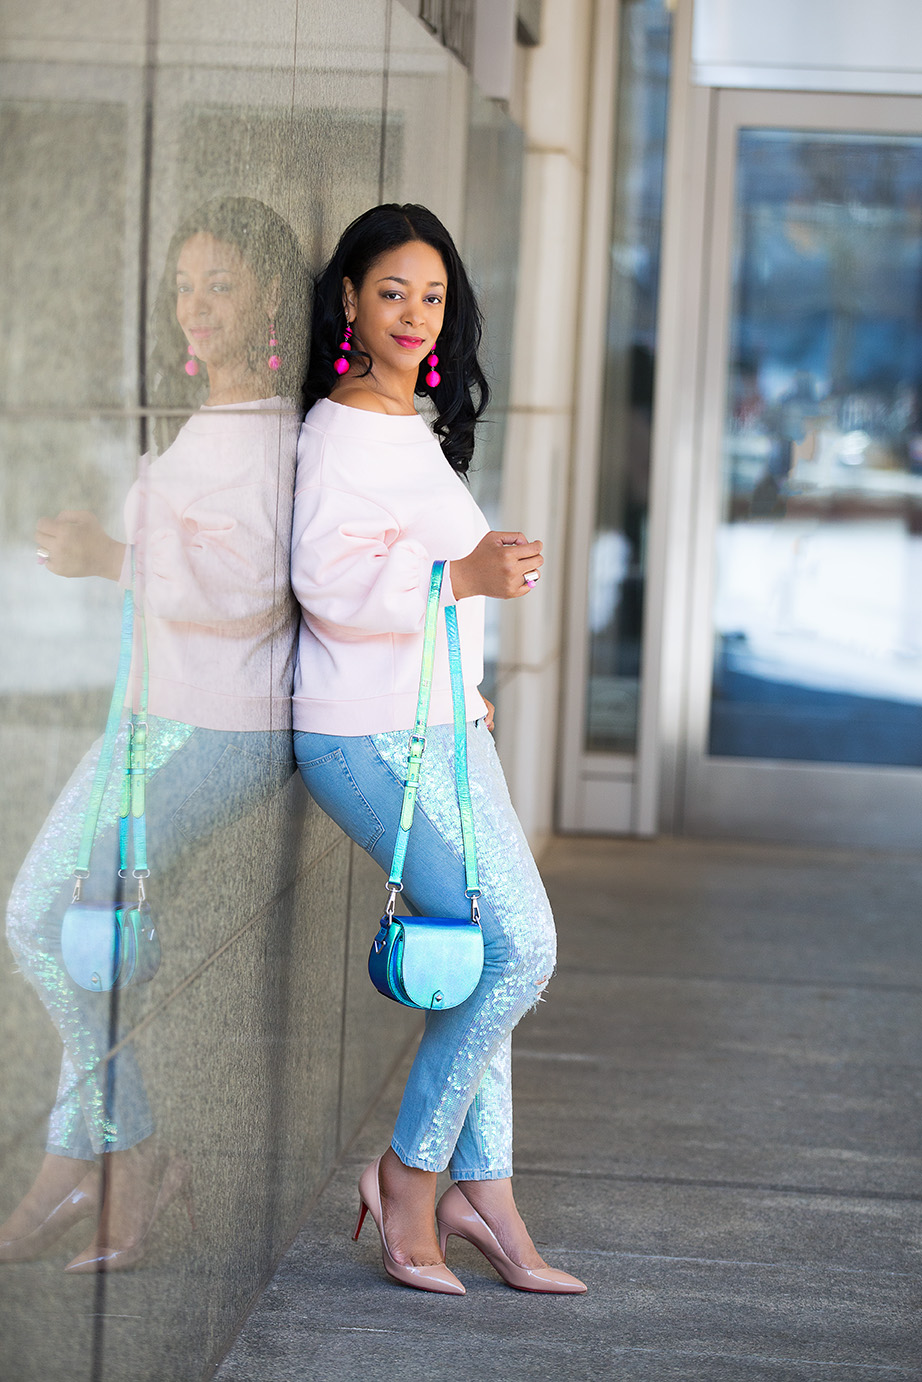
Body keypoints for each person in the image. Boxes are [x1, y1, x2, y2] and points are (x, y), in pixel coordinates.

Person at [2, 197, 306, 1272]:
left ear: (269, 294)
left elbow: (251, 592)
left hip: (206, 724)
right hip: (153, 719)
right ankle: (72, 1160)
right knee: (82, 934)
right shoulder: (214, 422)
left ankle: (129, 1153)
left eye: (219, 284)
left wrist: (110, 557)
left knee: (45, 921)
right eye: (185, 285)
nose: (196, 306)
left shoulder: (270, 436)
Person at [291, 203, 586, 1295]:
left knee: (486, 961)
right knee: (517, 948)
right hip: (367, 738)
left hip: (438, 728)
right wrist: (462, 580)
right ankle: (413, 1174)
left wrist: (463, 663)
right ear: (349, 304)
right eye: (389, 293)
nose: (415, 316)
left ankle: (487, 1189)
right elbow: (324, 583)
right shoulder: (341, 429)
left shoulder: (405, 422)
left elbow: (405, 566)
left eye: (432, 295)